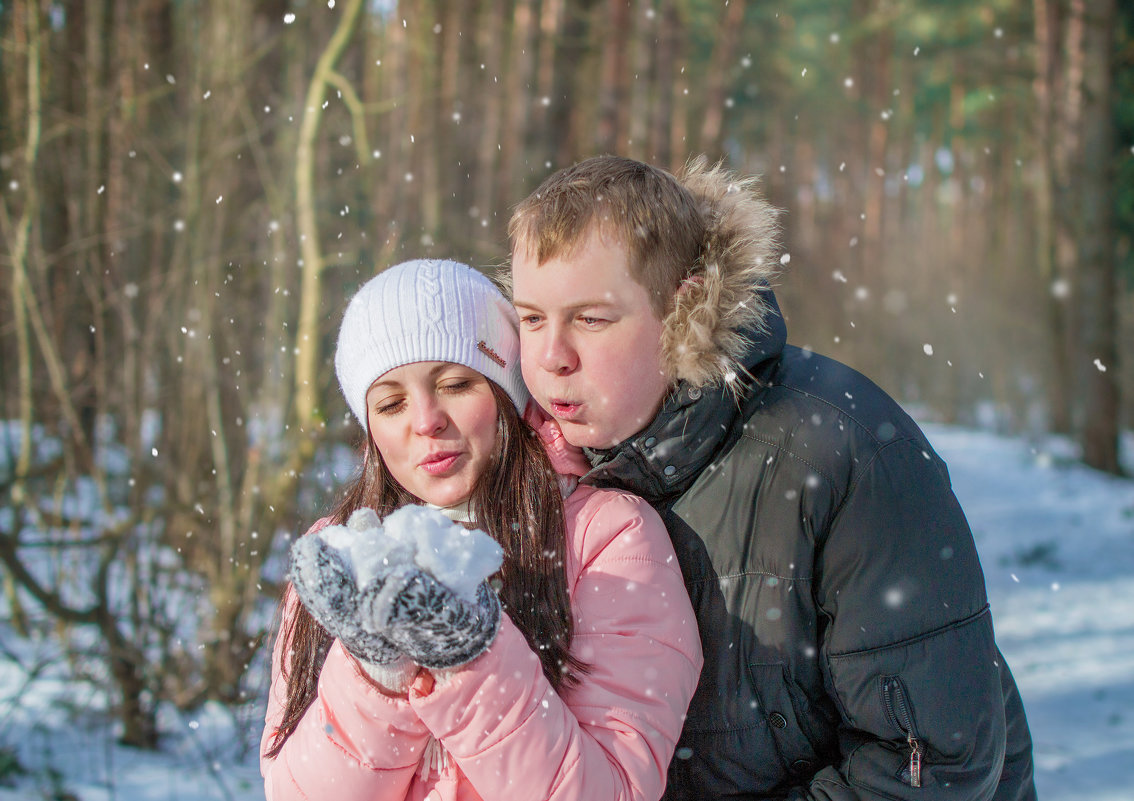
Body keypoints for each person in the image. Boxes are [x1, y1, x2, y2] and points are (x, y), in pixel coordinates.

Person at [507, 155, 1037, 801]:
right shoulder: (525, 470)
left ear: (683, 308)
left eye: (591, 318)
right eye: (531, 317)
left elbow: (929, 767)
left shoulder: (841, 451)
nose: (553, 356)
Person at [260, 258, 703, 801]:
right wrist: (378, 675)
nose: (425, 420)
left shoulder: (607, 537)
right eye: (391, 402)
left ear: (509, 393)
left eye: (455, 383)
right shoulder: (339, 555)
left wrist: (467, 656)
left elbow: (612, 791)